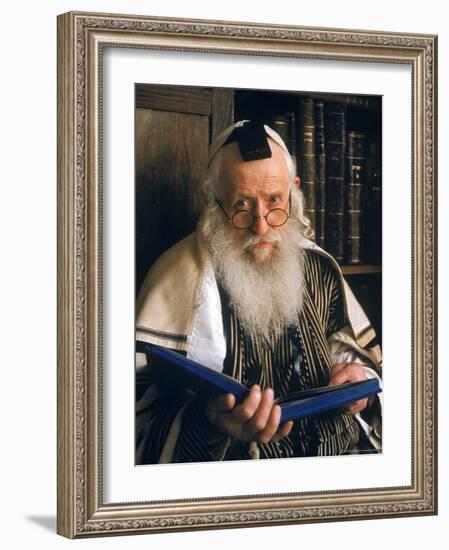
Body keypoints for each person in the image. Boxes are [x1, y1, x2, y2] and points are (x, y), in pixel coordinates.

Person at [135, 120, 382, 464]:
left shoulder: (319, 267)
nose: (261, 225)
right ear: (213, 201)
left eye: (274, 200)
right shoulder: (177, 276)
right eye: (241, 205)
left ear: (293, 192)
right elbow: (134, 417)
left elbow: (357, 359)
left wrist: (360, 382)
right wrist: (209, 421)